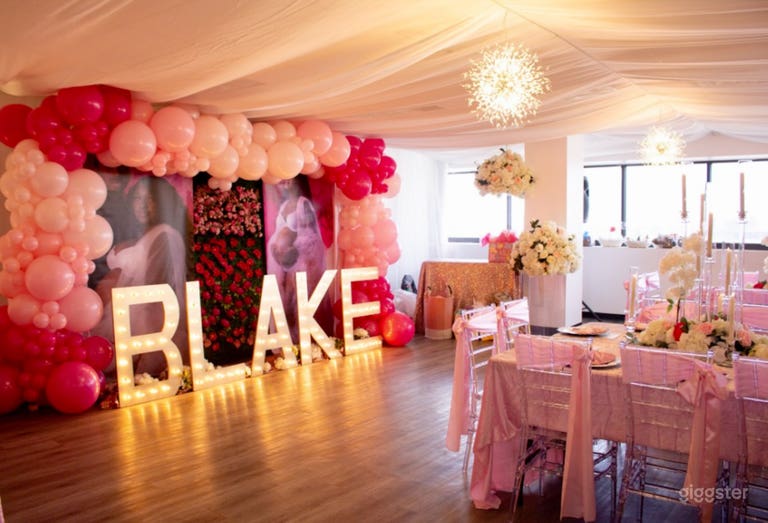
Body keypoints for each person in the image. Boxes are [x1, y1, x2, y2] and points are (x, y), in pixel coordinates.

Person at [93, 172, 192, 377]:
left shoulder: (165, 234)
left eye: (150, 200)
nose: (142, 205)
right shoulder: (139, 235)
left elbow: (158, 287)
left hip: (140, 320)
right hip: (113, 317)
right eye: (137, 198)